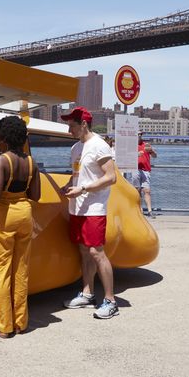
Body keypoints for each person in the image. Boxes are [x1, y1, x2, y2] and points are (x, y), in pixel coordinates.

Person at [0, 116, 41, 338]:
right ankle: (21, 323)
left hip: (4, 217)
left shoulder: (2, 160)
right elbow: (36, 195)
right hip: (25, 214)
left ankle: (5, 326)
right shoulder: (31, 161)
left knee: (2, 272)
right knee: (21, 271)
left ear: (3, 137)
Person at [60, 107, 120, 319]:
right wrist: (69, 185)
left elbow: (111, 177)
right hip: (77, 207)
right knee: (84, 251)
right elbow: (78, 174)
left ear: (83, 124)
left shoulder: (100, 146)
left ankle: (111, 301)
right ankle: (88, 294)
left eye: (72, 126)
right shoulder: (76, 148)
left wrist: (83, 189)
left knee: (96, 252)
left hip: (94, 208)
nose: (69, 130)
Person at [136, 133, 157, 217]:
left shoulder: (146, 145)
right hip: (135, 170)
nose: (139, 135)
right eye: (138, 134)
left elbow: (155, 156)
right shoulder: (130, 145)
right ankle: (139, 210)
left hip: (146, 170)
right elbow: (125, 157)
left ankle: (149, 210)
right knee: (137, 191)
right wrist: (136, 154)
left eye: (141, 134)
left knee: (147, 190)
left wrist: (151, 151)